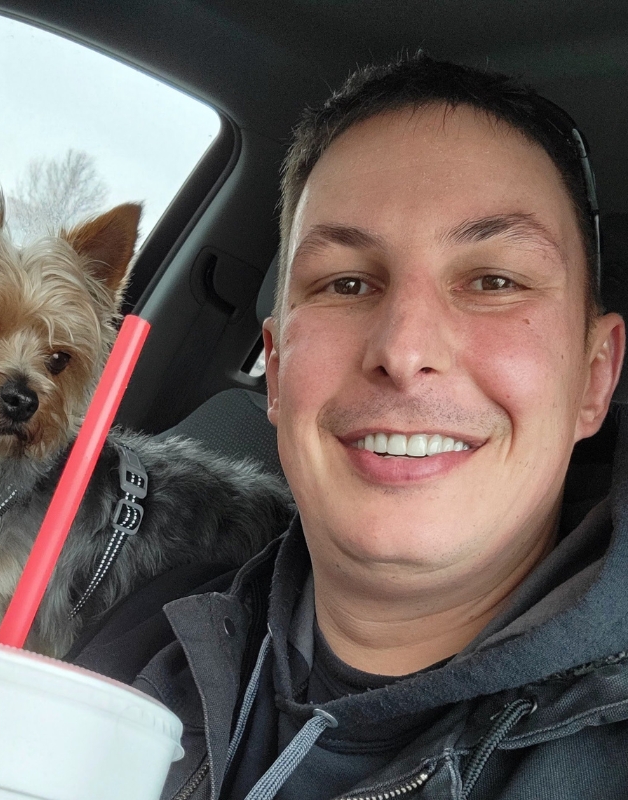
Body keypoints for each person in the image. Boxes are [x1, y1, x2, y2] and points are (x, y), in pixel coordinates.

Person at [69, 54, 628, 799]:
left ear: (595, 375)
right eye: (347, 283)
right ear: (274, 363)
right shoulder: (139, 642)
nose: (404, 350)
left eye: (494, 281)